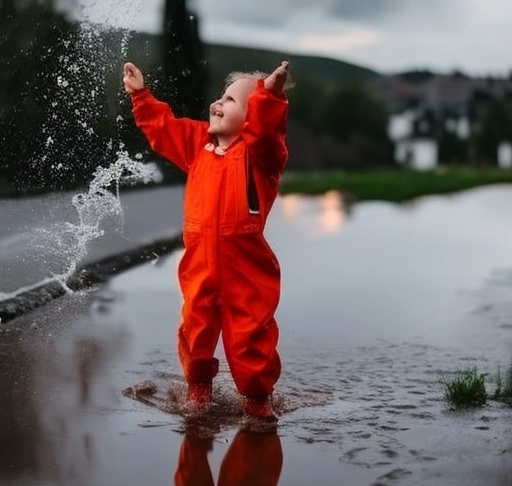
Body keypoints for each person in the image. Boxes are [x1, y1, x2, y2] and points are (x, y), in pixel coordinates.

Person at [123, 59, 292, 420]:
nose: (218, 103)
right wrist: (141, 96)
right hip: (199, 264)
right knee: (195, 328)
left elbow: (267, 133)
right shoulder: (199, 145)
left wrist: (269, 95)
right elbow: (165, 129)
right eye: (221, 96)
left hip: (245, 268)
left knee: (251, 335)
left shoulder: (260, 157)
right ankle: (198, 390)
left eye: (231, 101)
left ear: (250, 118)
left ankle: (257, 401)